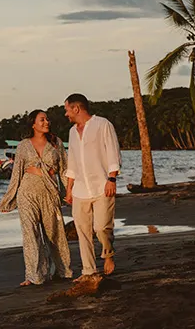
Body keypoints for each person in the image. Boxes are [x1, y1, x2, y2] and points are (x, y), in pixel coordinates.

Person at [0, 109, 72, 286]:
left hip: (49, 193)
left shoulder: (56, 143)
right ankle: (34, 275)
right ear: (33, 124)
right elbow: (17, 172)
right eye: (42, 119)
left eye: (47, 119)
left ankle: (62, 270)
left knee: (55, 234)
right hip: (27, 193)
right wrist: (9, 199)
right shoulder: (23, 145)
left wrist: (69, 193)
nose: (47, 122)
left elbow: (65, 169)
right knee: (30, 234)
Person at [63, 93, 121, 278]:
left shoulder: (103, 124)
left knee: (102, 227)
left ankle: (108, 254)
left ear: (76, 108)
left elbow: (113, 152)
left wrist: (112, 179)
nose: (66, 114)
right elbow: (72, 163)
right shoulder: (72, 132)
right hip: (80, 189)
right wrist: (69, 190)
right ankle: (89, 271)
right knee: (83, 232)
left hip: (102, 185)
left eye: (67, 109)